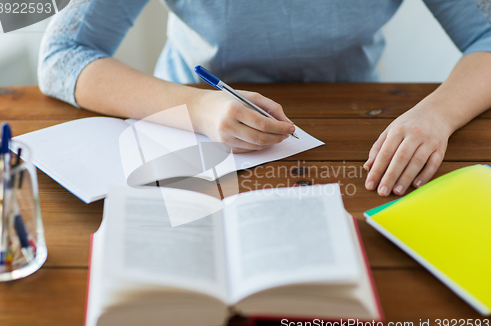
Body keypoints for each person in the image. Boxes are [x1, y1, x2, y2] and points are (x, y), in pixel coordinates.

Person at [38, 0, 491, 196]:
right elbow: (61, 56)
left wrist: (438, 113)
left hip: (356, 137)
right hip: (186, 139)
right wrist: (198, 107)